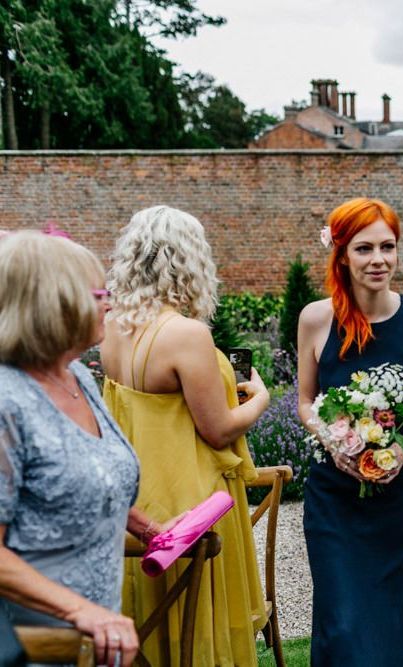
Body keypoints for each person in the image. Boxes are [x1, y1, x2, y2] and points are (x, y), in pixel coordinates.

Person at [100, 205, 270, 667]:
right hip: (191, 499)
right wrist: (258, 399)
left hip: (138, 497)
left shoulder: (113, 325)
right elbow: (216, 431)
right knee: (200, 622)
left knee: (151, 619)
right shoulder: (186, 334)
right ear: (191, 260)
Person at [297, 197, 403, 666]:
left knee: (395, 625)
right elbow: (305, 402)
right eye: (364, 248)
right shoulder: (315, 318)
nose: (378, 260)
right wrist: (335, 440)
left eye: (387, 247)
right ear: (342, 254)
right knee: (342, 623)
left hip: (402, 497)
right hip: (334, 496)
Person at [0, 231, 160, 667]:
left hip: (95, 640)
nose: (109, 303)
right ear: (52, 301)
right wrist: (80, 611)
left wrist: (149, 530)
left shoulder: (78, 379)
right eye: (98, 292)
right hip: (30, 643)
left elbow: (83, 474)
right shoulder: (6, 401)